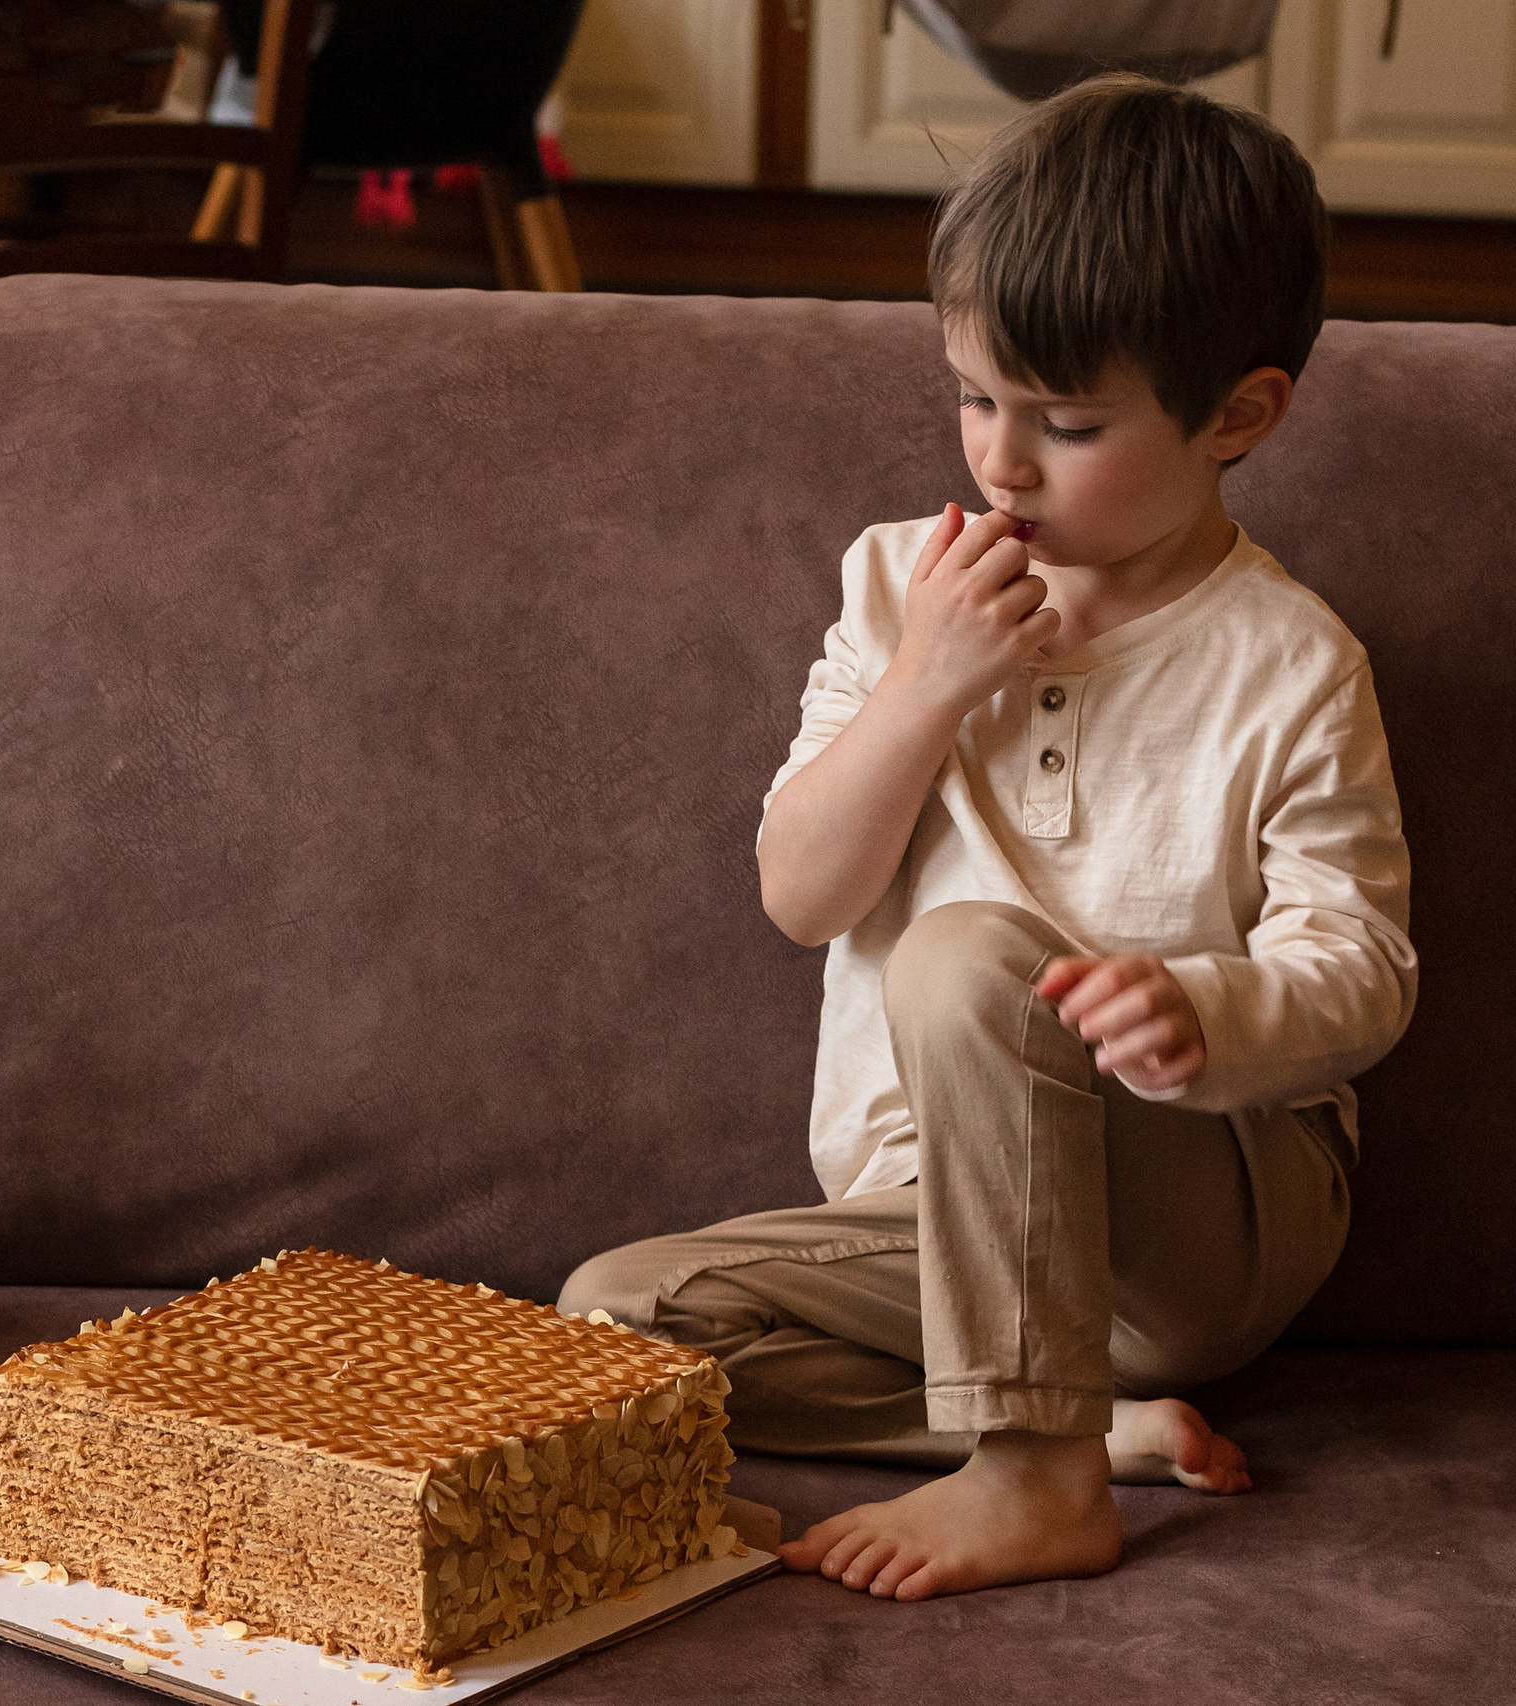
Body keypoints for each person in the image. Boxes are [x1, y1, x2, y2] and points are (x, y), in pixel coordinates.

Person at [559, 75, 1414, 1602]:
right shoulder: (901, 591)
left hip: (1197, 1218)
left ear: (1241, 413)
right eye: (973, 398)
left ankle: (1031, 1481)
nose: (1000, 464)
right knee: (617, 1326)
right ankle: (1088, 1431)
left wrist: (1204, 1007)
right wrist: (925, 688)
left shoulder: (1290, 661)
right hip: (936, 1230)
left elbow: (1362, 966)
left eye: (1067, 422)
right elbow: (801, 894)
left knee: (968, 959)